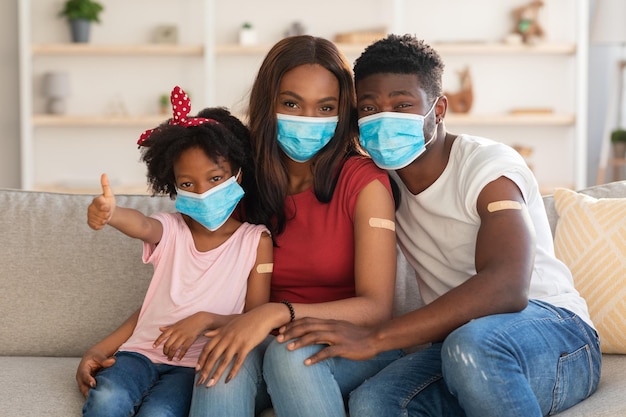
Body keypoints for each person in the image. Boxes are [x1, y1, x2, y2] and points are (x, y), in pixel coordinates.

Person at [278, 34, 601, 417]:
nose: (385, 119)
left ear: (439, 108)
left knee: (472, 344)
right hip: (456, 344)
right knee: (373, 403)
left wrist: (378, 336)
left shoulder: (488, 167)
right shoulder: (379, 181)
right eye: (369, 107)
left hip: (555, 331)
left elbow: (508, 285)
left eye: (402, 105)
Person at [186, 35, 401, 417]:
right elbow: (184, 261)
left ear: (343, 112)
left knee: (289, 353)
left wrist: (276, 313)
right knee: (220, 359)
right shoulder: (240, 182)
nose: (307, 120)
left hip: (352, 346)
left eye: (325, 107)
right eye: (291, 103)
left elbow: (377, 307)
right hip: (266, 342)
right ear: (268, 104)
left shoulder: (365, 182)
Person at [79, 86, 273, 417]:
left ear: (239, 173)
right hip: (138, 356)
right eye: (188, 184)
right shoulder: (170, 230)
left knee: (159, 413)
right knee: (107, 398)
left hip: (194, 366)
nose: (203, 192)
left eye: (215, 178)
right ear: (172, 185)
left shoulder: (257, 241)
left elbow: (254, 318)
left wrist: (205, 320)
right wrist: (111, 213)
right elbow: (141, 225)